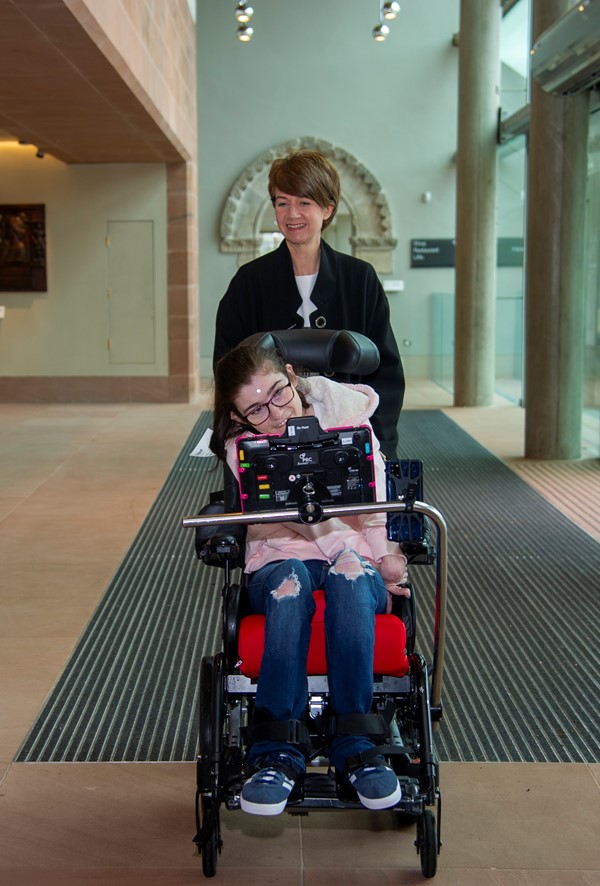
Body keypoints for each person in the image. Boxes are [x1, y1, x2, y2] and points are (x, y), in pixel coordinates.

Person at [210, 342, 409, 817]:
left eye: (278, 394)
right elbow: (267, 526)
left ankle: (356, 742)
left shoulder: (351, 418)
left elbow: (376, 508)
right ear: (237, 416)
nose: (273, 414)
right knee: (293, 579)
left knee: (349, 575)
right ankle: (276, 751)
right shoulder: (246, 445)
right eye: (255, 409)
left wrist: (386, 557)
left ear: (293, 376)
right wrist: (340, 533)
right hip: (278, 565)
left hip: (355, 561)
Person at [213, 149, 404, 459]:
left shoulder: (360, 279)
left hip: (346, 431)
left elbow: (386, 372)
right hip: (270, 435)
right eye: (282, 203)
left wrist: (378, 443)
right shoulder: (249, 282)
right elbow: (228, 369)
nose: (292, 215)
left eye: (304, 203)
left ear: (327, 209)